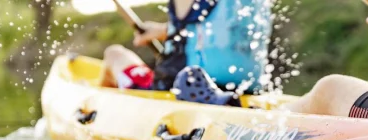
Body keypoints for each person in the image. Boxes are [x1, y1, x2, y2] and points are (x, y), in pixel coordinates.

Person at [100, 0, 272, 99]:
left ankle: (100, 118)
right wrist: (163, 30)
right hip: (246, 91)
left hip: (183, 90)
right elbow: (223, 30)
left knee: (114, 54)